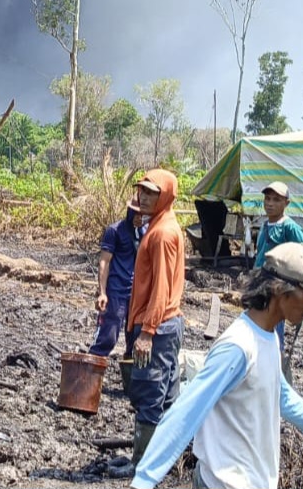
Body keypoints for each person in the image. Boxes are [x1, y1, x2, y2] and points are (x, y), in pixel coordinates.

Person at [131, 242, 303, 489]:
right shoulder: (238, 347)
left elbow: (284, 398)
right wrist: (143, 480)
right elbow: (185, 413)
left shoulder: (268, 338)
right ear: (279, 288)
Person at [122, 169, 185, 470]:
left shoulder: (161, 235)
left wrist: (147, 332)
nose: (142, 196)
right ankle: (168, 460)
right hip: (166, 324)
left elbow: (160, 286)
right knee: (167, 396)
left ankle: (142, 465)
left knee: (148, 395)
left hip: (157, 327)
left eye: (151, 192)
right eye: (141, 190)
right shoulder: (160, 226)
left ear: (166, 196)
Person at [252, 181, 303, 350]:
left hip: (276, 291)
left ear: (286, 203)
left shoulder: (289, 227)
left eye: (276, 200)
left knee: (273, 335)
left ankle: (275, 369)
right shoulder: (265, 225)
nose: (270, 203)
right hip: (259, 287)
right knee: (258, 330)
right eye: (267, 198)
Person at [89, 195, 147, 357]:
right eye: (135, 213)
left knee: (134, 342)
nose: (138, 217)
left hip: (136, 295)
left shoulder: (145, 233)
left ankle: (129, 379)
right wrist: (102, 292)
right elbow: (104, 262)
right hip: (116, 292)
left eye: (142, 214)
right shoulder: (115, 231)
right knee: (107, 337)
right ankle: (89, 375)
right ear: (128, 211)